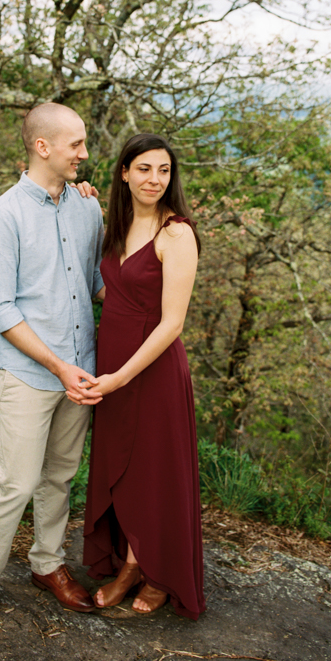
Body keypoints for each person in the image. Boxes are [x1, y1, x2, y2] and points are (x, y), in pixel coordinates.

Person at [0, 102, 105, 626]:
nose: (85, 154)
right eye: (76, 145)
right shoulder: (2, 217)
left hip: (81, 372)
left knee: (60, 478)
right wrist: (58, 366)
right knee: (14, 484)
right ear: (43, 147)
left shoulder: (89, 208)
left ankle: (47, 565)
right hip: (28, 375)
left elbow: (93, 286)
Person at [82, 133, 206, 619]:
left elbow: (172, 324)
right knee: (121, 464)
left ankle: (149, 570)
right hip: (111, 361)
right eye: (145, 169)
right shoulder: (118, 223)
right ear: (125, 173)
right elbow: (107, 290)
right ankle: (129, 561)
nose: (155, 179)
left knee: (152, 471)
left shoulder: (177, 234)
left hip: (150, 371)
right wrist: (82, 196)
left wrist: (117, 379)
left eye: (164, 170)